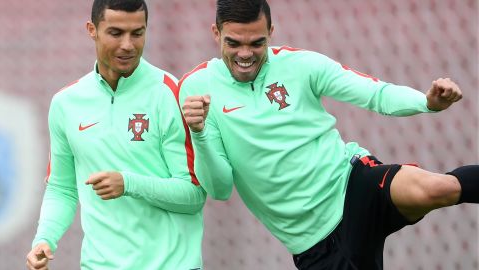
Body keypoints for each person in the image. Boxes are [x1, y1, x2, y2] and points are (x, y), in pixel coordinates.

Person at [179, 0, 478, 269]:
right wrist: (200, 133)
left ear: (271, 31)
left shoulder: (301, 65)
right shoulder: (195, 88)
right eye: (234, 43)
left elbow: (376, 93)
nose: (245, 54)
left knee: (438, 188)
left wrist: (427, 103)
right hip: (314, 245)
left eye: (257, 43)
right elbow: (219, 189)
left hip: (352, 185)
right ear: (216, 34)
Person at [26, 0, 206, 269]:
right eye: (116, 33)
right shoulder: (66, 103)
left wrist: (128, 183)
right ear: (92, 29)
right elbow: (61, 188)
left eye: (137, 33)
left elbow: (194, 195)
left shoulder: (171, 93)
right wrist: (44, 240)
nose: (128, 45)